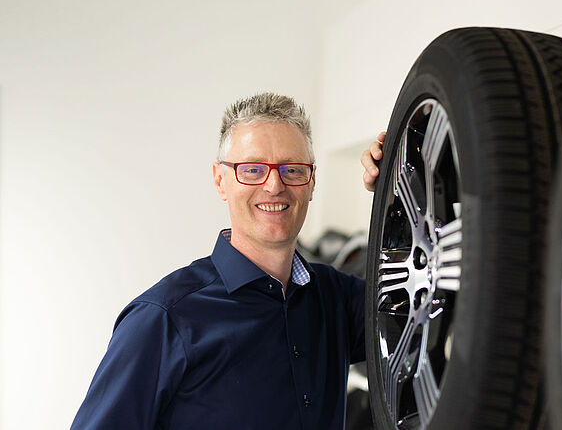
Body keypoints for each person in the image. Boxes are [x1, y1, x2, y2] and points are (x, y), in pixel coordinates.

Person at [71, 93, 366, 430]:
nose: (274, 185)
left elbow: (428, 293)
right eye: (252, 170)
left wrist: (392, 187)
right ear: (219, 180)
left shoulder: (337, 299)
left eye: (293, 169)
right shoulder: (164, 319)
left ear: (311, 182)